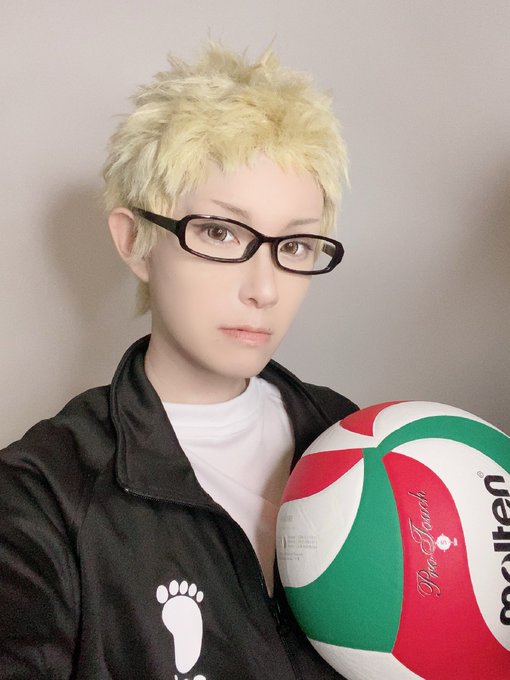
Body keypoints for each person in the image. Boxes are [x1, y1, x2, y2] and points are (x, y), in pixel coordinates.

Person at [0, 43, 357, 680]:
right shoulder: (43, 494)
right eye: (220, 232)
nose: (264, 288)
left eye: (296, 244)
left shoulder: (355, 437)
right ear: (135, 241)